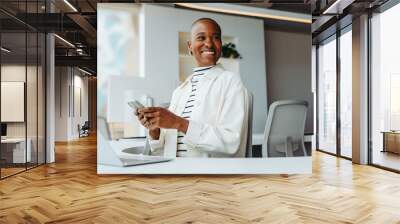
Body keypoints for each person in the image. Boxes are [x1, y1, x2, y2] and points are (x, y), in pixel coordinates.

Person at [137, 18, 248, 158]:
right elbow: (162, 151)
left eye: (216, 38)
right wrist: (155, 131)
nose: (208, 43)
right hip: (175, 171)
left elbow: (231, 141)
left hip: (208, 174)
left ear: (221, 44)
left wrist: (178, 122)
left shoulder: (230, 81)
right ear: (190, 46)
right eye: (201, 37)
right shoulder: (179, 92)